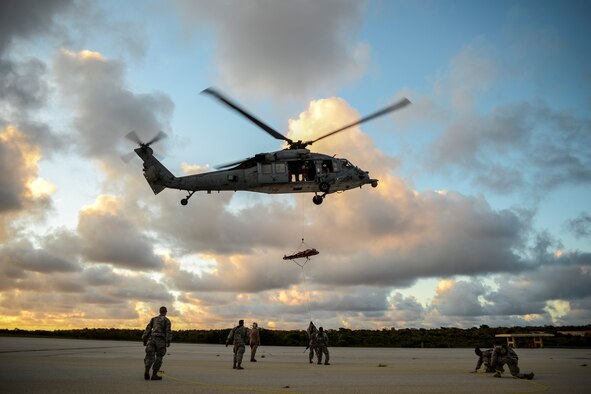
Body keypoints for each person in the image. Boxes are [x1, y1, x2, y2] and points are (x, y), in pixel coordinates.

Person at [142, 306, 172, 381]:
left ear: (159, 311)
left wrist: (144, 339)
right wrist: (168, 341)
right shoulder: (166, 320)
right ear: (165, 312)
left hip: (151, 339)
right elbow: (168, 331)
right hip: (160, 341)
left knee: (149, 356)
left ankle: (146, 371)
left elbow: (148, 329)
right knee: (159, 357)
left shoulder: (153, 319)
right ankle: (154, 375)